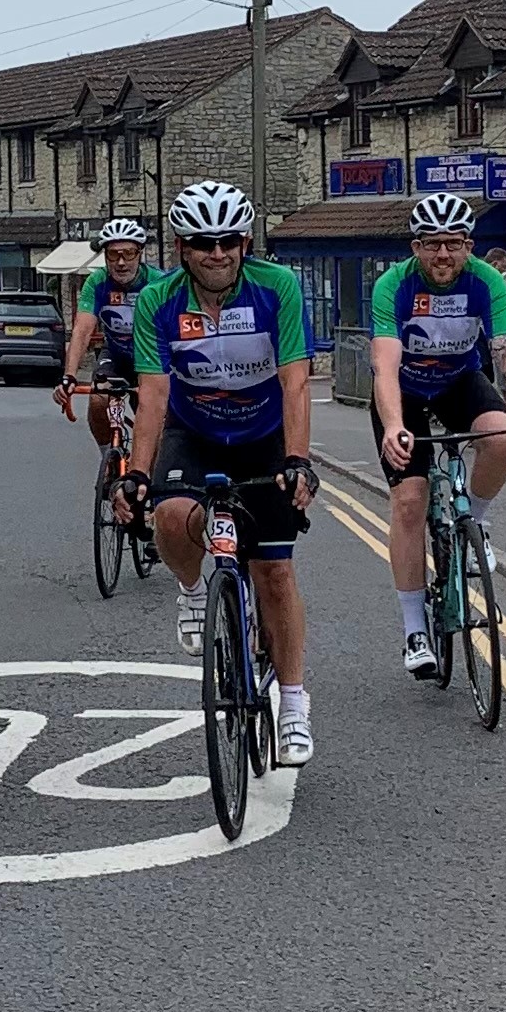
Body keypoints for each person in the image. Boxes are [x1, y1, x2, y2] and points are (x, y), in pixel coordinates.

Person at [111, 180, 319, 767]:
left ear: (245, 242)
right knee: (170, 515)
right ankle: (192, 590)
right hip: (194, 431)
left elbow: (295, 381)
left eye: (229, 241)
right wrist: (137, 473)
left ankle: (294, 703)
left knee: (274, 571)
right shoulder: (159, 300)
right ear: (183, 248)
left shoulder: (276, 287)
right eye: (204, 243)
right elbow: (153, 393)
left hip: (264, 434)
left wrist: (298, 459)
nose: (218, 253)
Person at [369, 194, 506, 679]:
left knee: (502, 438)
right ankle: (414, 630)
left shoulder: (485, 281)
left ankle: (475, 523)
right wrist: (394, 425)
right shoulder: (393, 284)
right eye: (432, 244)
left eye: (454, 244)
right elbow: (385, 366)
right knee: (410, 500)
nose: (443, 254)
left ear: (469, 246)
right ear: (416, 247)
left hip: (459, 381)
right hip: (404, 390)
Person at [52, 217, 163, 448]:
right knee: (98, 400)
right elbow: (82, 330)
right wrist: (69, 376)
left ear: (140, 253)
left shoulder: (158, 283)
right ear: (105, 257)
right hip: (116, 354)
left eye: (128, 254)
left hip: (152, 358)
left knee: (153, 416)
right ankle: (108, 457)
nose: (121, 262)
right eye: (113, 255)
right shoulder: (97, 282)